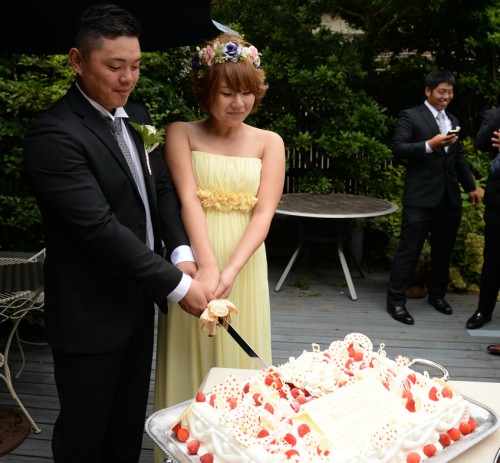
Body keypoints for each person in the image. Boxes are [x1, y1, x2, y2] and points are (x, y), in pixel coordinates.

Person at [23, 4, 213, 462]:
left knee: (127, 431)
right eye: (114, 66)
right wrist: (178, 285)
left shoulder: (136, 115)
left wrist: (181, 252)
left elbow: (161, 191)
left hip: (137, 306)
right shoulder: (53, 135)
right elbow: (99, 228)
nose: (128, 78)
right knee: (85, 439)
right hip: (88, 313)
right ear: (76, 60)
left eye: (135, 65)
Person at [154, 33, 285, 413]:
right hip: (195, 260)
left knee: (237, 366)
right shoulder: (182, 132)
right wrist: (208, 267)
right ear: (206, 89)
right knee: (189, 352)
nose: (239, 102)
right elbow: (188, 199)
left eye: (246, 92)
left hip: (244, 259)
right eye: (228, 92)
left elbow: (264, 212)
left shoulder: (269, 142)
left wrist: (230, 271)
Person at [387, 69, 482, 325]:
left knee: (443, 250)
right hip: (420, 196)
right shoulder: (411, 116)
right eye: (442, 91)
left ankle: (437, 295)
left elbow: (458, 157)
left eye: (450, 92)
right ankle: (396, 301)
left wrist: (471, 187)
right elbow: (398, 148)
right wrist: (430, 145)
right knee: (409, 249)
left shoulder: (452, 118)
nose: (447, 96)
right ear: (428, 91)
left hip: (449, 197)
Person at [466, 108, 500, 338]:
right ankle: (483, 311)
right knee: (493, 257)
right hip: (498, 200)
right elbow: (480, 143)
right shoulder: (494, 115)